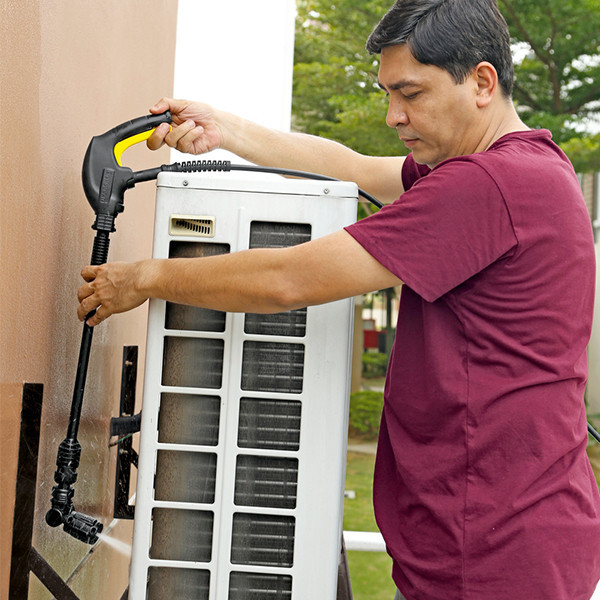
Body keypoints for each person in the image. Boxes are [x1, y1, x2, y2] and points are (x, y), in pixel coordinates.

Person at [77, 0, 600, 598]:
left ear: (481, 81)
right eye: (386, 93)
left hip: (493, 551)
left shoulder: (490, 184)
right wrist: (226, 129)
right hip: (501, 534)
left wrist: (143, 279)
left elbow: (288, 281)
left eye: (410, 93)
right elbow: (350, 167)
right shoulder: (519, 169)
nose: (392, 115)